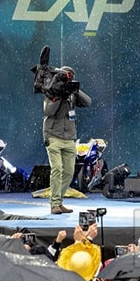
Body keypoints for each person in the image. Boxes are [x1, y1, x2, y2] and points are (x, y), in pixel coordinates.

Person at [42, 65, 91, 214]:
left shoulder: (72, 94)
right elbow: (49, 111)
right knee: (57, 169)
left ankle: (59, 201)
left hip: (69, 137)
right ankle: (54, 204)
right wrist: (59, 95)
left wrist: (74, 90)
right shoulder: (51, 92)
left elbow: (87, 102)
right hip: (53, 136)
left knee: (69, 172)